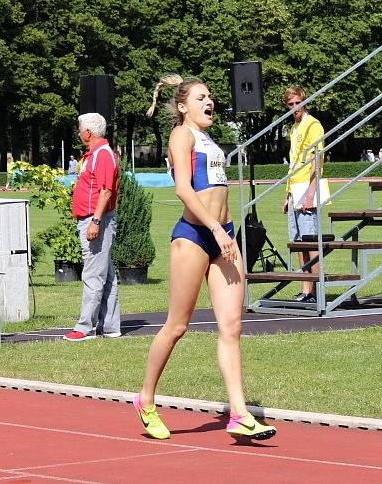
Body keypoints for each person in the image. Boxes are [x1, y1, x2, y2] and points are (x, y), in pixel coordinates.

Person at [133, 74, 276, 442]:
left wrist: (224, 231)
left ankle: (240, 413)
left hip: (222, 236)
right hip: (195, 236)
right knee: (177, 326)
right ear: (183, 106)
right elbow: (183, 188)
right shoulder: (182, 135)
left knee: (232, 327)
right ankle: (146, 399)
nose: (209, 102)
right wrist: (214, 228)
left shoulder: (209, 138)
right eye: (200, 98)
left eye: (210, 96)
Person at [63, 112, 121, 341]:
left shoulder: (102, 155)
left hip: (96, 219)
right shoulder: (94, 154)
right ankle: (109, 326)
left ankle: (85, 327)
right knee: (105, 274)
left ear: (88, 132)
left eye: (80, 129)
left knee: (93, 273)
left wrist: (95, 221)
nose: (79, 133)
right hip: (94, 218)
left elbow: (106, 190)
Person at [283, 86, 328, 303]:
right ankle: (306, 289)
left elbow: (317, 161)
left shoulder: (313, 125)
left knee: (311, 243)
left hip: (307, 189)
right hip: (295, 189)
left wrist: (311, 194)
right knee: (299, 242)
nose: (294, 108)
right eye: (290, 104)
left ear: (305, 101)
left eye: (297, 103)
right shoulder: (294, 127)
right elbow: (294, 163)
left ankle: (317, 288)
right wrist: (287, 194)